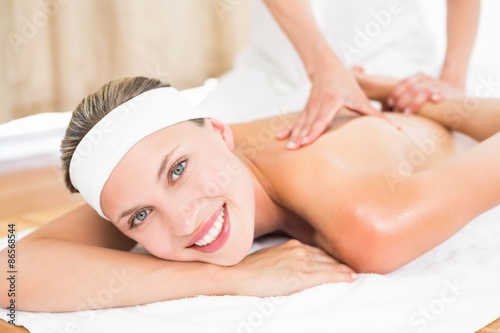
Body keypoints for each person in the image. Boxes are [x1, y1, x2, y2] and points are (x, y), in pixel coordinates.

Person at [1, 74, 499, 313]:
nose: (183, 223)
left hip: (413, 119)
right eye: (138, 218)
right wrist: (233, 279)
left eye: (176, 170)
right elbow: (10, 273)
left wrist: (448, 104)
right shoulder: (167, 163)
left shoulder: (369, 225)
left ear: (220, 132)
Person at [202, 0, 479, 149]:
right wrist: (323, 67)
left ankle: (370, 86)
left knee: (378, 153)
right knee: (202, 143)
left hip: (390, 57)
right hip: (274, 68)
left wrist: (451, 82)